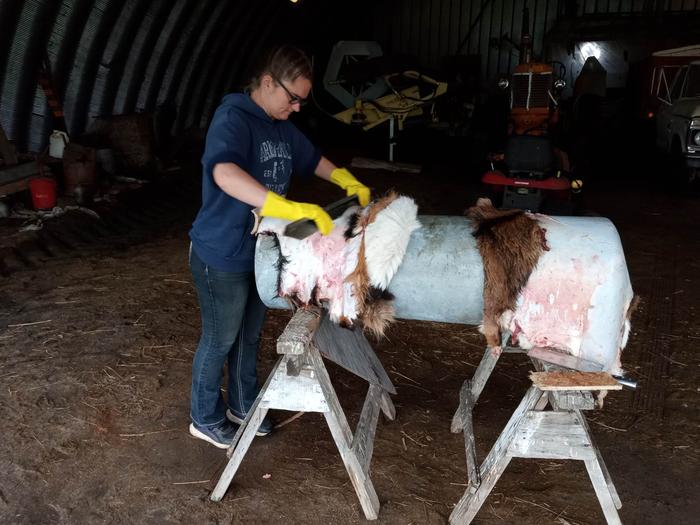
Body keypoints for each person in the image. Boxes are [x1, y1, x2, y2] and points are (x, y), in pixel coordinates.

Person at [187, 45, 371, 449]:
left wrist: (346, 181)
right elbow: (224, 172)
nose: (298, 107)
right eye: (293, 98)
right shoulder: (233, 118)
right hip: (220, 252)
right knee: (220, 337)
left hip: (259, 253)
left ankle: (242, 403)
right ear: (268, 82)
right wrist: (286, 206)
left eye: (303, 101)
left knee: (249, 333)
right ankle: (204, 417)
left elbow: (313, 158)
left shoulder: (280, 125)